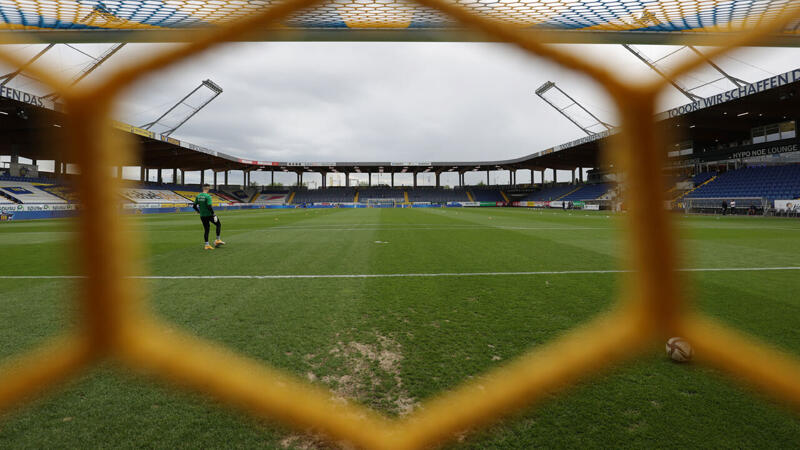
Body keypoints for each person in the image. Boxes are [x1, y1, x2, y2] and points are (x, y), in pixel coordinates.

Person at [193, 184, 225, 250]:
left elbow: (194, 206)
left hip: (202, 216)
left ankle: (207, 245)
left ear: (203, 188)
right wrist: (213, 214)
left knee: (206, 230)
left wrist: (199, 211)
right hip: (209, 215)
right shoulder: (208, 196)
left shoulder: (198, 196)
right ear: (208, 189)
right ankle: (217, 240)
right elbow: (209, 206)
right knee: (218, 224)